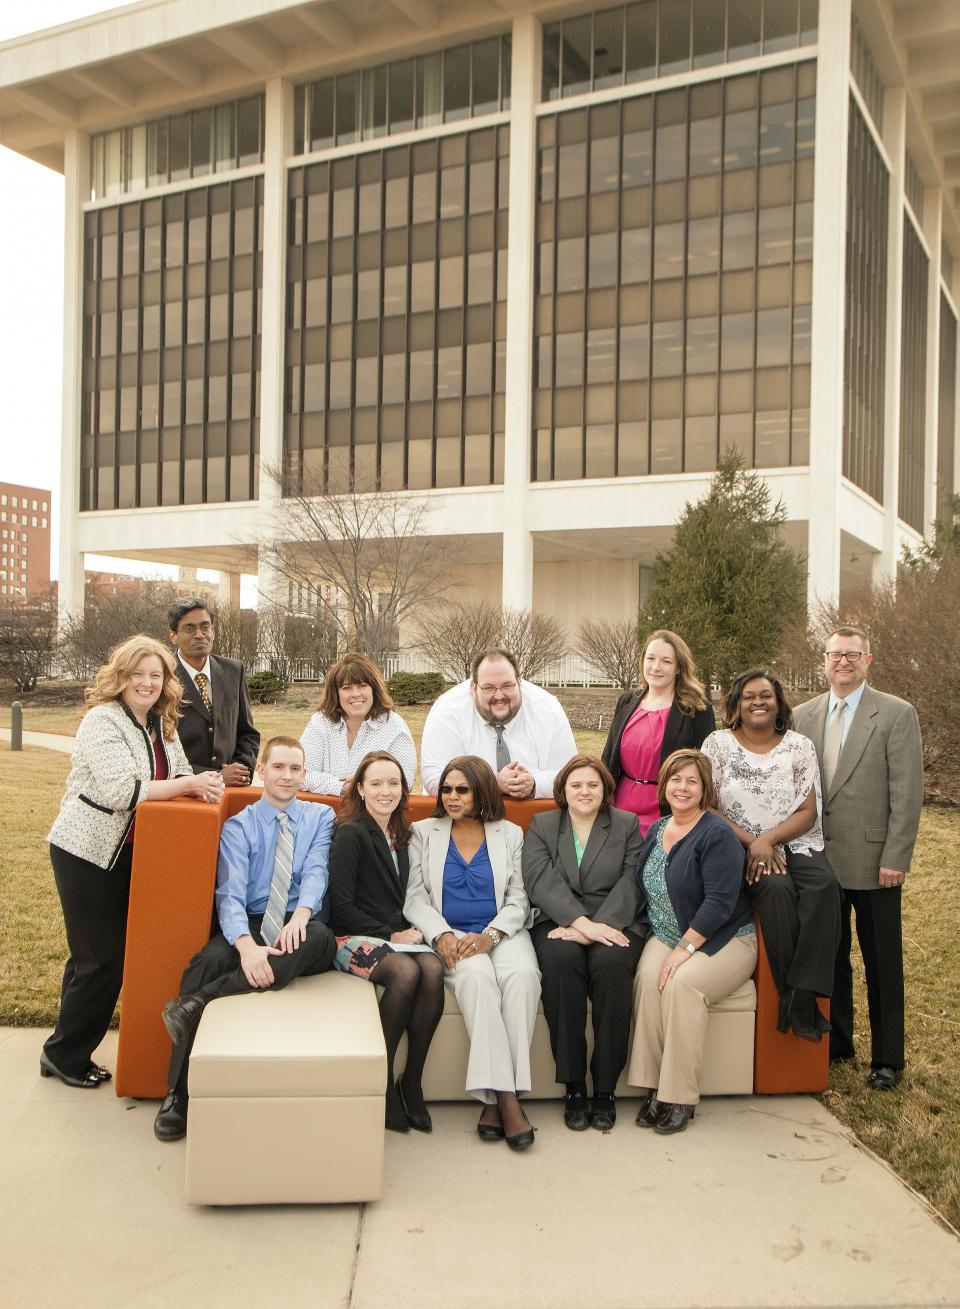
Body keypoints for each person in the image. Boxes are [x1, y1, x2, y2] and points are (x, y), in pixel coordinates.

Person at [42, 635, 223, 1090]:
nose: (147, 682)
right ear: (121, 676)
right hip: (86, 853)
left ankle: (64, 1048)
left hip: (131, 856)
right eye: (138, 674)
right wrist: (188, 785)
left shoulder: (160, 723)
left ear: (167, 682)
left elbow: (180, 771)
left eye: (156, 675)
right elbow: (123, 791)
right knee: (100, 959)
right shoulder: (102, 721)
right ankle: (66, 1055)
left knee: (93, 957)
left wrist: (197, 783)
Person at [153, 736, 336, 1141]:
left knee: (317, 937)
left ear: (304, 774)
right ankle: (177, 1094)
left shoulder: (320, 818)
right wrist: (246, 947)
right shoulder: (239, 826)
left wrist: (301, 916)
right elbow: (230, 895)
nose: (287, 776)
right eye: (279, 767)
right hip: (251, 921)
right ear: (262, 771)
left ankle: (196, 1004)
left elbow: (317, 872)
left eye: (295, 769)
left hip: (298, 921)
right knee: (207, 963)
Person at [793, 627, 923, 1091]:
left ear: (868, 659)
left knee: (881, 960)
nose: (842, 662)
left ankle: (887, 1058)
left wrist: (896, 856)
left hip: (874, 862)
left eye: (852, 655)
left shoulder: (895, 714)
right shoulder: (803, 715)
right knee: (831, 956)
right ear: (823, 661)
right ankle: (840, 1042)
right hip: (818, 859)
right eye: (834, 655)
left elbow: (907, 793)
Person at [404, 755, 541, 1150]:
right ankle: (509, 1100)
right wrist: (441, 935)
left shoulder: (509, 833)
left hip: (501, 933)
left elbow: (519, 898)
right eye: (446, 789)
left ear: (481, 791)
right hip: (454, 935)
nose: (452, 796)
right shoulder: (422, 832)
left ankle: (496, 1101)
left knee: (522, 978)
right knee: (479, 980)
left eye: (462, 789)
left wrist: (493, 935)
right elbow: (414, 897)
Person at [701, 669, 840, 1043]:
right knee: (776, 891)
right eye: (749, 696)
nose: (758, 702)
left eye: (766, 695)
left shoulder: (799, 745)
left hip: (796, 841)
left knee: (825, 888)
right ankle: (799, 1005)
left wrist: (770, 841)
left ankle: (799, 995)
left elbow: (808, 811)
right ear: (736, 704)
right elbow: (707, 806)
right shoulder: (716, 745)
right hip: (739, 844)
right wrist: (754, 843)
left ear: (778, 702)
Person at [628, 749, 757, 1134]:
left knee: (682, 984)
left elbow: (721, 902)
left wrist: (685, 950)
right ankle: (652, 1087)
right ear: (664, 785)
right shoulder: (657, 828)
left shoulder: (717, 835)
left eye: (692, 781)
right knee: (648, 979)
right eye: (675, 780)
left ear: (705, 790)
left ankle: (679, 1096)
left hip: (724, 940)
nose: (682, 788)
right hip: (667, 932)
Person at [521, 755, 645, 1132]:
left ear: (606, 789)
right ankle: (574, 1086)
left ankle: (604, 1088)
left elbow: (631, 880)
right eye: (576, 785)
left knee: (611, 967)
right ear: (563, 790)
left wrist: (597, 927)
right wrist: (579, 925)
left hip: (616, 921)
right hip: (559, 922)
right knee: (560, 962)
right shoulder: (543, 824)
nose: (584, 792)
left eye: (593, 784)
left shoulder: (626, 824)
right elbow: (539, 879)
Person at [328, 750, 444, 1134]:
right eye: (376, 783)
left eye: (394, 783)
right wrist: (391, 934)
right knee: (405, 973)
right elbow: (340, 908)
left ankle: (411, 1081)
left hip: (399, 935)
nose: (385, 791)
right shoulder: (350, 833)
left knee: (431, 968)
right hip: (350, 936)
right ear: (360, 788)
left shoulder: (404, 833)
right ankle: (383, 1082)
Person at [601, 630, 715, 836]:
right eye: (650, 658)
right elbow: (608, 757)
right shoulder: (627, 701)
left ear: (679, 667)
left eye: (666, 661)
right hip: (620, 807)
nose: (656, 667)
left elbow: (705, 771)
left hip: (669, 810)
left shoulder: (697, 709)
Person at [420, 648, 576, 798]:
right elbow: (434, 779)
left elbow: (571, 775)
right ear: (473, 689)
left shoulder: (548, 708)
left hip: (535, 819)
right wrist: (492, 783)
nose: (499, 695)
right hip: (463, 818)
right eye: (488, 688)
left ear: (519, 683)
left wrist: (535, 784)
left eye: (507, 686)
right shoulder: (447, 710)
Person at [169, 599, 259, 786]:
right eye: (189, 629)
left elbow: (248, 733)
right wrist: (216, 776)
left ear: (213, 631)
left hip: (232, 790)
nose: (199, 635)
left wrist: (240, 769)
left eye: (205, 627)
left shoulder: (234, 670)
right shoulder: (162, 677)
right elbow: (159, 751)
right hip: (183, 790)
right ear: (173, 635)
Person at [300, 652, 416, 796]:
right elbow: (301, 775)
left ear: (374, 689)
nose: (355, 694)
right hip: (323, 816)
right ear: (336, 693)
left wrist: (361, 785)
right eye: (346, 687)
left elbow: (405, 783)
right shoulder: (320, 722)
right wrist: (341, 787)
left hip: (374, 817)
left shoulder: (394, 727)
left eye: (362, 685)